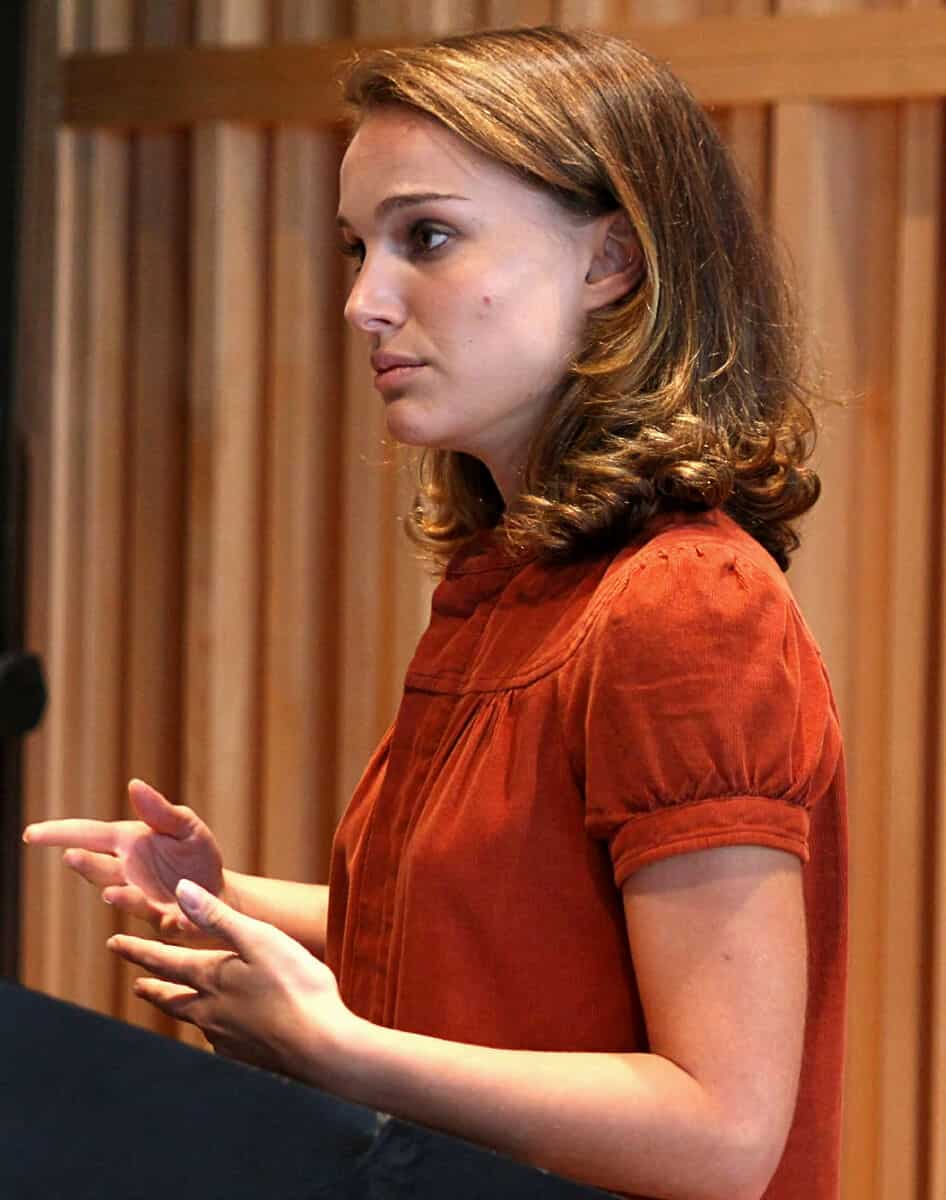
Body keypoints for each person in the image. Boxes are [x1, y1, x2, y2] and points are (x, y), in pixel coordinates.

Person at [22, 25, 846, 1200]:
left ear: (610, 261)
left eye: (428, 238)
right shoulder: (520, 584)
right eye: (358, 247)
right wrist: (223, 898)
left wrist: (337, 1048)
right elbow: (500, 943)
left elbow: (718, 1134)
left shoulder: (684, 605)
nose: (363, 302)